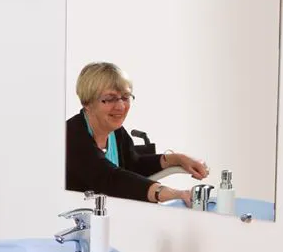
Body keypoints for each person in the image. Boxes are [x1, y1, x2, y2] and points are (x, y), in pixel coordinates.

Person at [66, 62, 208, 206]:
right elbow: (110, 178)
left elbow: (134, 165)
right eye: (110, 99)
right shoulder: (71, 136)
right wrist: (172, 193)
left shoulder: (116, 133)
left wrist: (177, 159)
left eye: (125, 97)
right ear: (87, 102)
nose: (121, 106)